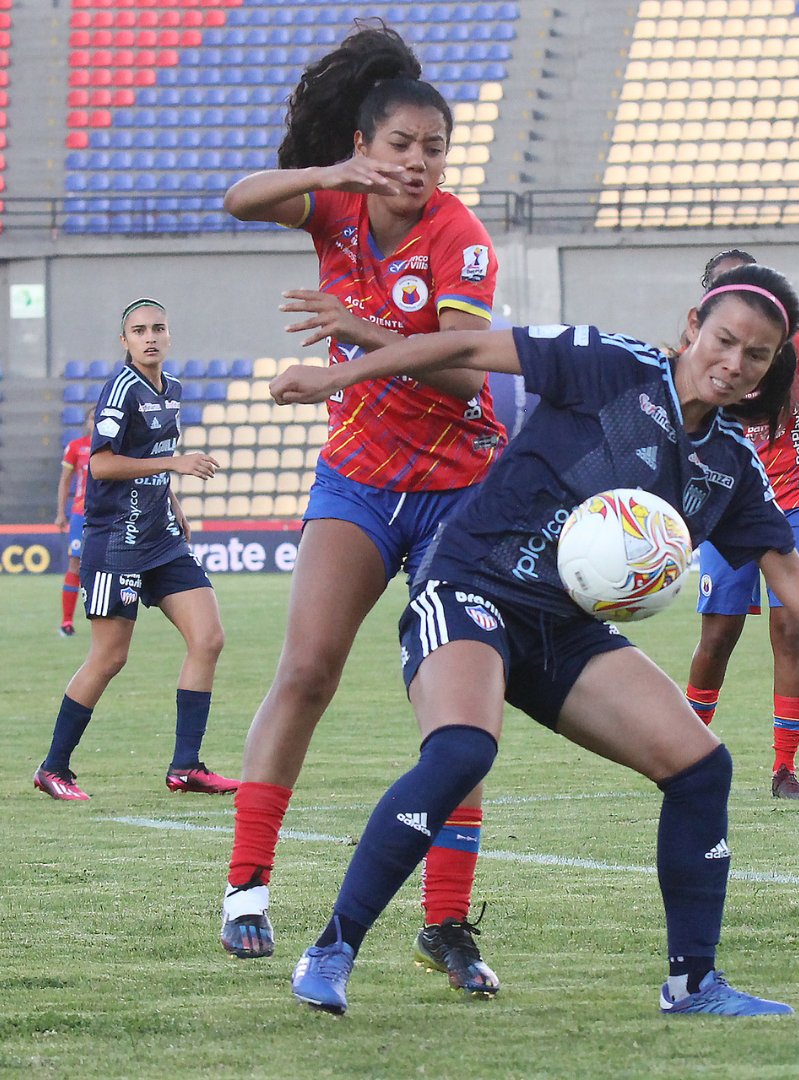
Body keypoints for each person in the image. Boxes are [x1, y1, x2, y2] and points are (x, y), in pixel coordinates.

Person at [267, 262, 799, 1017]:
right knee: (463, 749)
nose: (734, 364)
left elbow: (786, 570)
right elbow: (458, 350)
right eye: (724, 340)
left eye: (756, 356)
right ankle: (332, 949)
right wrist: (343, 376)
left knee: (701, 769)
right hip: (472, 587)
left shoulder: (730, 462)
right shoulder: (610, 364)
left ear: (771, 367)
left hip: (565, 629)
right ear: (694, 326)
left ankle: (693, 984)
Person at [217, 21, 507, 997]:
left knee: (459, 721)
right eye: (401, 146)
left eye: (435, 149)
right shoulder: (336, 205)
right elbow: (238, 198)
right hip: (357, 483)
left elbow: (469, 380)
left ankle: (445, 927)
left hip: (460, 495)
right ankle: (247, 891)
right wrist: (333, 169)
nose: (420, 164)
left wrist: (360, 328)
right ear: (367, 144)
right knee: (305, 668)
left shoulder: (461, 240)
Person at [33, 298, 237, 802]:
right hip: (116, 543)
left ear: (169, 337)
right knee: (109, 658)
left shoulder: (173, 391)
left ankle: (186, 766)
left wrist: (173, 500)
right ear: (124, 341)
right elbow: (101, 465)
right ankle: (53, 767)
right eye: (139, 330)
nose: (150, 336)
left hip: (161, 537)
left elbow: (146, 458)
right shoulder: (120, 389)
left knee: (208, 638)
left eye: (158, 328)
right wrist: (174, 463)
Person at [683, 249, 799, 800]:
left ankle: (785, 768)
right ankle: (684, 750)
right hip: (727, 503)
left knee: (791, 629)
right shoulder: (696, 356)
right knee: (719, 633)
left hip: (797, 500)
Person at [55, 407, 95, 637]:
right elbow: (65, 481)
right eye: (92, 417)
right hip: (81, 513)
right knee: (75, 564)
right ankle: (67, 622)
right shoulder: (77, 447)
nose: (95, 421)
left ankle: (104, 619)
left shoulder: (114, 446)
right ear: (87, 422)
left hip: (106, 515)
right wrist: (61, 512)